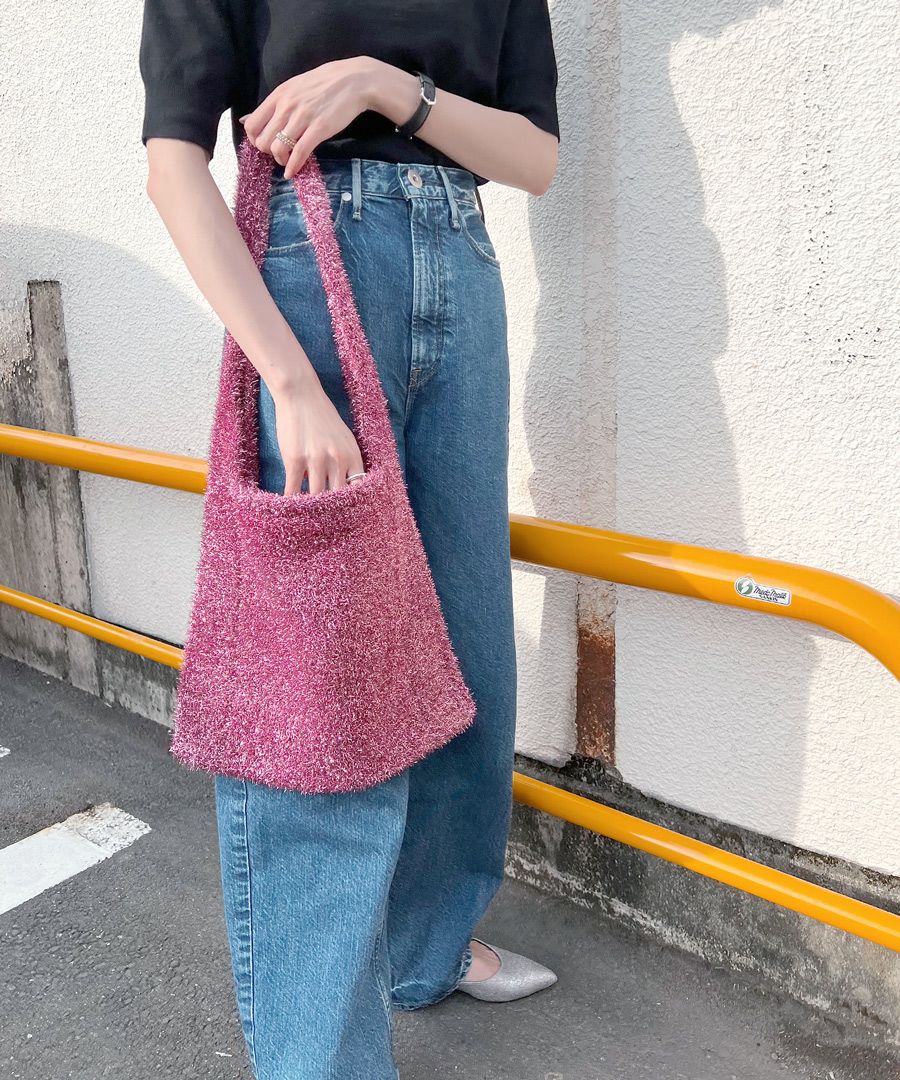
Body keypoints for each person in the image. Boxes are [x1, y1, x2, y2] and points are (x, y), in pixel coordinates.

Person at [138, 2, 561, 1077]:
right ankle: (319, 1062)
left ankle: (426, 949)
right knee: (319, 697)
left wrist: (387, 85)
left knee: (465, 653)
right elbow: (173, 161)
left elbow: (534, 157)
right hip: (309, 272)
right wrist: (286, 378)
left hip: (461, 265)